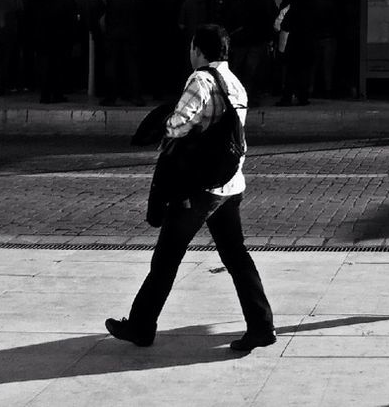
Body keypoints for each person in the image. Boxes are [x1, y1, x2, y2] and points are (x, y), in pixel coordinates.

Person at [106, 24, 276, 352]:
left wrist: (166, 124)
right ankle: (261, 325)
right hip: (228, 183)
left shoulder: (201, 79)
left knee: (167, 258)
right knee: (236, 255)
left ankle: (142, 326)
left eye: (192, 47)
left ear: (198, 49)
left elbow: (179, 122)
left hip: (198, 187)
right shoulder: (234, 82)